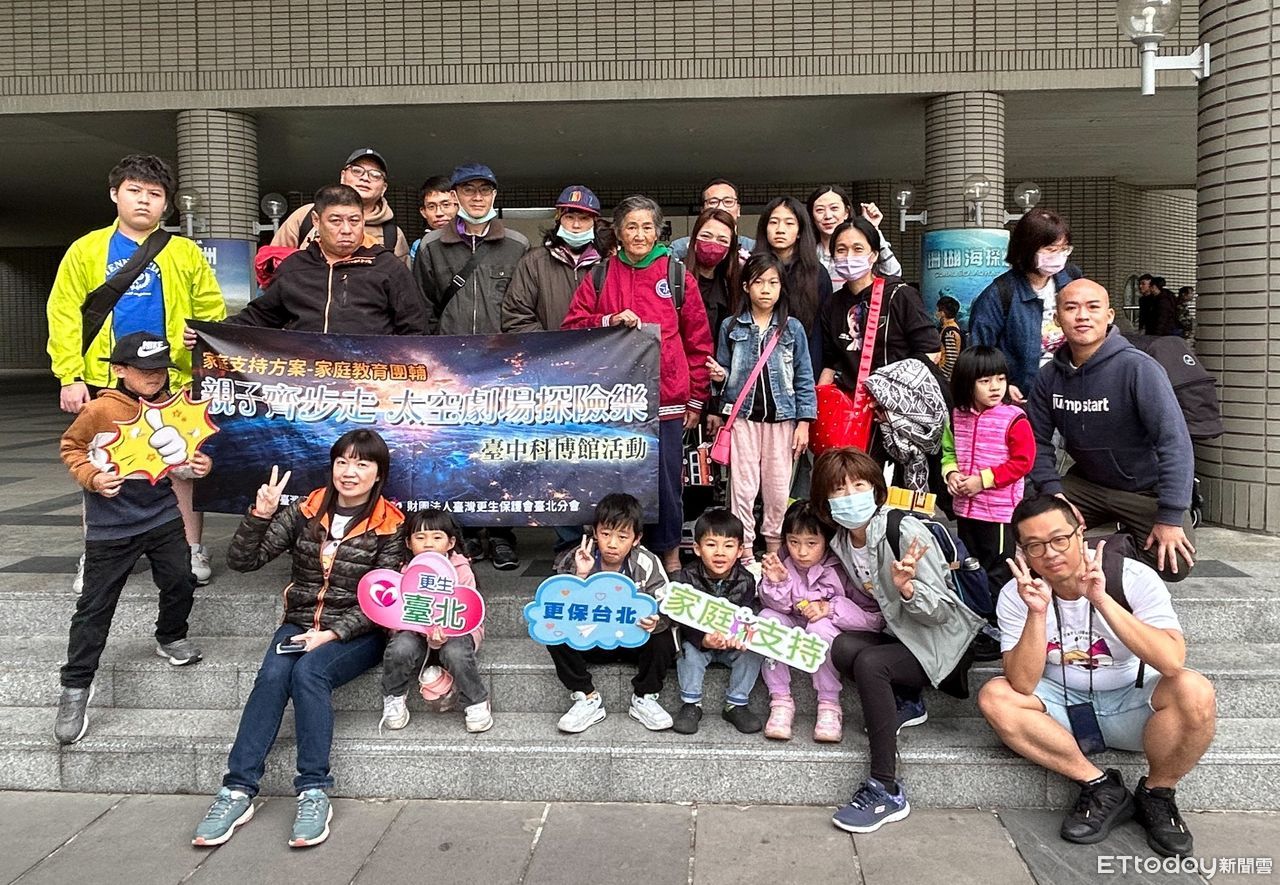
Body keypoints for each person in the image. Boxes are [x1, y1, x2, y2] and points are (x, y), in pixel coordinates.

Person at [191, 430, 405, 849]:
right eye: (342, 462)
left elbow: (385, 599)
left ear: (379, 474)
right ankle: (236, 791)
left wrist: (329, 635)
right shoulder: (307, 509)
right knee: (272, 676)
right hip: (299, 622)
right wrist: (260, 514)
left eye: (362, 464)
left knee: (309, 674)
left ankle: (313, 791)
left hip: (356, 630)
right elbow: (244, 561)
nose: (350, 472)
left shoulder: (390, 524)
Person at [978, 495, 1216, 857]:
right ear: (1023, 551)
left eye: (1060, 539)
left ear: (1080, 533)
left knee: (1194, 690)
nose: (1050, 553)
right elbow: (1022, 684)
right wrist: (1037, 613)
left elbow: (1171, 662)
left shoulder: (1131, 577)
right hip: (1061, 710)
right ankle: (1100, 786)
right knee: (995, 696)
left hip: (1132, 705)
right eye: (1035, 545)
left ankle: (1157, 793)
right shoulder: (1018, 593)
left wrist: (1102, 600)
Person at [47, 154, 225, 587]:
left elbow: (211, 309)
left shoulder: (184, 252)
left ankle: (190, 549)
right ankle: (97, 556)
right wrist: (69, 376)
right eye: (135, 191)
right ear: (115, 194)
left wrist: (200, 338)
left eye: (155, 194)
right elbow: (64, 313)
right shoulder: (86, 250)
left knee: (181, 463)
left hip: (171, 376)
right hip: (106, 377)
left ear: (166, 203)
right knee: (101, 462)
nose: (144, 201)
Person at [813, 448, 984, 833]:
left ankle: (885, 788)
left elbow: (941, 611)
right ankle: (908, 700)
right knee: (843, 648)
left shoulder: (903, 531)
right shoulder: (842, 540)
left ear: (876, 489)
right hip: (903, 637)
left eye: (859, 485)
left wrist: (908, 589)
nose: (850, 496)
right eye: (838, 490)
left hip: (941, 644)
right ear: (825, 501)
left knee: (871, 663)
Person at [53, 332, 213, 745]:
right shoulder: (100, 409)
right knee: (94, 609)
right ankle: (75, 687)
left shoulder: (172, 406)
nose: (154, 377)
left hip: (162, 516)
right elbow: (71, 446)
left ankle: (171, 636)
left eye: (161, 369)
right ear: (120, 370)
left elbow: (183, 461)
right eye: (144, 370)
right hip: (110, 528)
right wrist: (92, 477)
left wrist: (199, 466)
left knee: (180, 579)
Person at [562, 195, 713, 574]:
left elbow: (698, 342)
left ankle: (669, 554)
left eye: (647, 227)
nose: (640, 234)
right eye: (631, 227)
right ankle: (611, 557)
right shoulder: (599, 276)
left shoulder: (677, 276)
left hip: (667, 400)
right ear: (618, 232)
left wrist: (696, 398)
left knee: (666, 483)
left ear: (658, 231)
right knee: (613, 480)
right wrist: (609, 319)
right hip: (613, 401)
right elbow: (572, 328)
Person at [1027, 279, 1197, 583]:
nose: (1082, 316)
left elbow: (1174, 442)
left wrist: (1170, 516)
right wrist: (1053, 490)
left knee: (1175, 564)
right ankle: (1088, 551)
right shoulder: (1048, 377)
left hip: (1145, 489)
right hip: (1087, 485)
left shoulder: (1139, 368)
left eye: (1093, 307)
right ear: (1057, 318)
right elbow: (1037, 442)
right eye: (1071, 308)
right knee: (1032, 533)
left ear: (1109, 316)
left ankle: (1105, 549)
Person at [415, 163, 531, 569]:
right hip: (450, 370)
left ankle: (500, 533)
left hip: (501, 367)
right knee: (455, 451)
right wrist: (432, 361)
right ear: (456, 196)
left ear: (495, 195)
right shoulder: (432, 246)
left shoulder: (517, 244)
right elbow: (423, 308)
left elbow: (524, 305)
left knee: (501, 450)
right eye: (468, 190)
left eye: (485, 190)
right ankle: (461, 534)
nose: (477, 197)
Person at [706, 253, 815, 561]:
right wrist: (719, 377)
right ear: (746, 286)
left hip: (782, 420)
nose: (766, 289)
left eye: (773, 282)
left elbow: (804, 376)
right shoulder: (730, 326)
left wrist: (804, 422)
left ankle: (773, 549)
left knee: (778, 489)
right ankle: (743, 553)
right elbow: (725, 374)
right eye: (758, 282)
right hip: (742, 420)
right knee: (742, 488)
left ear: (782, 287)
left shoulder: (792, 328)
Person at [214, 185, 424, 335]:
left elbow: (414, 329)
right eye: (335, 221)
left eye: (354, 221)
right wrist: (208, 333)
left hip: (369, 378)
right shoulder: (294, 268)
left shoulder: (388, 267)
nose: (346, 230)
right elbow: (259, 317)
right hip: (306, 377)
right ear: (316, 220)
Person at [548, 493, 676, 734]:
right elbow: (557, 607)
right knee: (553, 633)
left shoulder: (647, 562)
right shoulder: (578, 557)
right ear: (595, 532)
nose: (613, 543)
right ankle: (586, 697)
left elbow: (666, 604)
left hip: (633, 642)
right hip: (590, 640)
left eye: (622, 536)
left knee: (663, 639)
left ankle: (645, 697)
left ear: (636, 539)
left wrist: (656, 621)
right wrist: (580, 576)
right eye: (606, 534)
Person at [758, 499, 883, 743]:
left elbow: (873, 618)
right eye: (794, 542)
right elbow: (775, 607)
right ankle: (780, 701)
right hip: (794, 626)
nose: (801, 552)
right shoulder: (782, 563)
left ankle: (829, 704)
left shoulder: (842, 568)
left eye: (811, 543)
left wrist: (830, 608)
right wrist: (778, 583)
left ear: (826, 541)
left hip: (830, 633)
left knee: (819, 626)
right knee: (766, 620)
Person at [378, 508, 491, 734]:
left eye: (437, 537)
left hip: (456, 631)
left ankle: (476, 701)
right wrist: (416, 630)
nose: (428, 544)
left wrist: (445, 632)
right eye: (420, 537)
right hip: (416, 633)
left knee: (456, 652)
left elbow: (468, 612)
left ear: (451, 542)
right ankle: (394, 696)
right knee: (400, 647)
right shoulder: (403, 573)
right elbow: (395, 614)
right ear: (408, 543)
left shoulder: (461, 570)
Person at [942, 345, 1034, 605]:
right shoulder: (957, 416)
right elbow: (948, 452)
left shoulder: (1014, 419)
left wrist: (982, 481)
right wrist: (951, 474)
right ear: (966, 383)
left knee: (999, 567)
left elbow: (1023, 462)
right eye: (985, 381)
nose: (995, 387)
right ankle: (976, 610)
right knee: (970, 564)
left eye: (1001, 379)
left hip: (1000, 513)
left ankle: (999, 615)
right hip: (966, 510)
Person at [968, 208, 1083, 403]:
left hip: (1071, 390)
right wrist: (1002, 385)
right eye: (1051, 250)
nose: (1059, 256)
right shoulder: (1000, 293)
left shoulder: (1072, 279)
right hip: (1024, 397)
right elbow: (979, 351)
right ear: (1028, 249)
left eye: (1064, 249)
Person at [670, 508, 763, 735]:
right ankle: (691, 704)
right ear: (697, 548)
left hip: (731, 643)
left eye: (728, 546)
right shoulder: (687, 576)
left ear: (740, 550)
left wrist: (738, 636)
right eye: (711, 544)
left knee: (753, 652)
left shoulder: (746, 579)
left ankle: (736, 703)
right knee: (688, 651)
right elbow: (683, 620)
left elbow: (747, 613)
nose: (720, 552)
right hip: (701, 641)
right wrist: (703, 639)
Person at [818, 216, 942, 386]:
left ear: (874, 255)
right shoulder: (832, 304)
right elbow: (831, 363)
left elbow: (931, 351)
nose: (849, 256)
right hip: (851, 400)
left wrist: (892, 390)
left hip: (897, 396)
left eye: (858, 249)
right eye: (841, 250)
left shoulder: (900, 295)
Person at [502, 184, 606, 335]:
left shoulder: (607, 265)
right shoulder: (534, 262)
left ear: (595, 222)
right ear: (558, 218)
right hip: (546, 348)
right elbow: (516, 317)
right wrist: (549, 344)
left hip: (597, 349)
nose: (576, 225)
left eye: (584, 218)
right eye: (569, 217)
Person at [272, 148, 409, 260]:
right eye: (357, 171)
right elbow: (272, 263)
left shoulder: (393, 235)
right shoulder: (306, 216)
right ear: (343, 176)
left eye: (375, 175)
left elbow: (401, 282)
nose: (365, 178)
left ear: (384, 188)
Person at [752, 196, 832, 373]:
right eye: (774, 222)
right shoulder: (751, 270)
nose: (780, 230)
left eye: (789, 223)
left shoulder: (816, 273)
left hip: (803, 368)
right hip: (757, 368)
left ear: (800, 231)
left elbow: (821, 331)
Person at [806, 185, 902, 288]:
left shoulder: (864, 250)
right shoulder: (806, 253)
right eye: (820, 210)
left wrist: (872, 228)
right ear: (811, 215)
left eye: (834, 208)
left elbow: (893, 274)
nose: (828, 216)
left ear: (846, 212)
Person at [682, 207, 743, 348]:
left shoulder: (732, 286)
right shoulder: (675, 279)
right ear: (694, 240)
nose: (713, 244)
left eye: (722, 240)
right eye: (706, 236)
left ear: (729, 249)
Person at [670, 178, 756, 260]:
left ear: (738, 210)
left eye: (728, 201)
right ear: (702, 211)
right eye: (713, 202)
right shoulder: (680, 248)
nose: (721, 208)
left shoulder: (753, 248)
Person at [407, 175, 459, 263]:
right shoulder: (420, 245)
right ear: (423, 212)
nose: (439, 213)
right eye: (431, 207)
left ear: (457, 206)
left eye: (446, 205)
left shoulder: (471, 239)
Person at [935, 293, 964, 380]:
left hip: (947, 377)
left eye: (937, 310)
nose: (936, 313)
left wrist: (941, 376)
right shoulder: (952, 327)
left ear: (942, 313)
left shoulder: (949, 332)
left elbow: (951, 360)